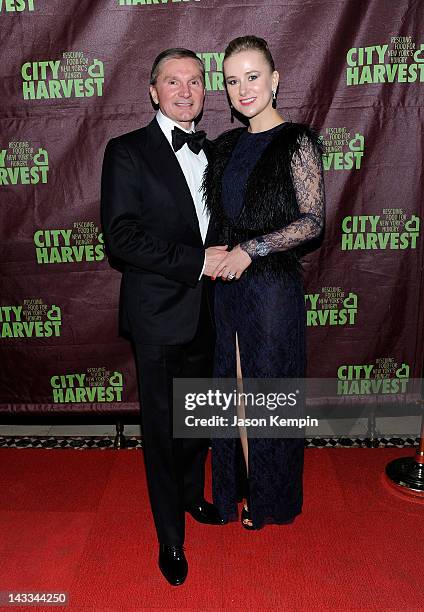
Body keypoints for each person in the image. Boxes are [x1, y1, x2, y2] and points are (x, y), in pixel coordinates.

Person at [101, 48, 227, 586]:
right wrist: (198, 262)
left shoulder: (217, 153)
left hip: (210, 312)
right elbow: (122, 238)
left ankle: (194, 495)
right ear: (153, 91)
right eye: (172, 82)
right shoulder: (126, 152)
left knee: (196, 418)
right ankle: (170, 538)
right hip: (157, 315)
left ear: (205, 91)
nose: (185, 90)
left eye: (195, 81)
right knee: (161, 430)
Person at [202, 36, 325, 529]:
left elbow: (312, 221)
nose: (243, 88)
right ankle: (239, 492)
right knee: (232, 390)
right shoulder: (227, 146)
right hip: (228, 285)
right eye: (233, 80)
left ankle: (270, 498)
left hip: (271, 286)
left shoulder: (297, 141)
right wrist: (209, 254)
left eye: (253, 76)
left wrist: (251, 249)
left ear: (275, 80)